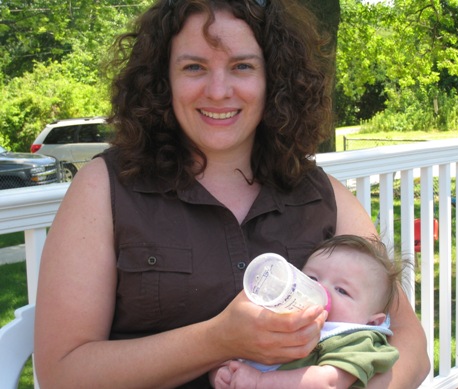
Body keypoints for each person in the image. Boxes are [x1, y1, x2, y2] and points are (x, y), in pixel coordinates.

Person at [33, 0, 429, 388]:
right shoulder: (104, 188)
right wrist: (218, 340)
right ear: (161, 79)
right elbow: (61, 372)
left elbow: (410, 344)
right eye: (194, 67)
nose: (219, 91)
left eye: (242, 66)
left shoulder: (326, 197)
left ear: (274, 77)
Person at [211, 234, 404, 389]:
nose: (322, 290)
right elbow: (236, 352)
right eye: (312, 278)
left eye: (342, 290)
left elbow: (328, 382)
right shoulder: (283, 317)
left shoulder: (357, 339)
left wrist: (258, 382)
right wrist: (224, 374)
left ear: (372, 322)